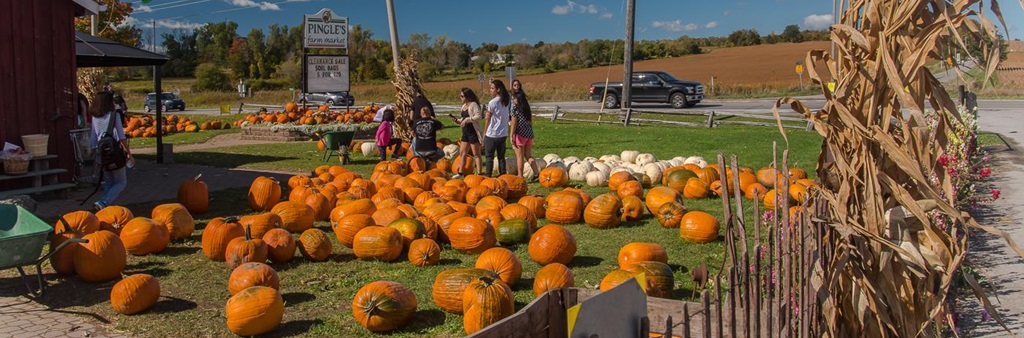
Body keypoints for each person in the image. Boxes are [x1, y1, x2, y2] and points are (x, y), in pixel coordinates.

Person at [89, 91, 134, 211]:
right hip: (114, 152)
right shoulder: (114, 115)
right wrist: (128, 153)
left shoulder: (95, 117)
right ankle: (103, 202)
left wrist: (95, 154)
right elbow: (120, 135)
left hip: (102, 153)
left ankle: (105, 208)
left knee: (108, 181)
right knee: (121, 182)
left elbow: (93, 137)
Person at [451, 88, 484, 179]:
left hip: (473, 132)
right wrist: (457, 120)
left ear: (467, 97)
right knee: (462, 153)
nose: (460, 97)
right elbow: (464, 118)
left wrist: (468, 120)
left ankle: (479, 173)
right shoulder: (464, 106)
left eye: (462, 96)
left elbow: (478, 116)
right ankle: (461, 173)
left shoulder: (473, 105)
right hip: (465, 133)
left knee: (476, 154)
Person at [510, 85, 540, 182]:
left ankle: (520, 175)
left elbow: (513, 124)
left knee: (519, 156)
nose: (513, 100)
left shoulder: (515, 109)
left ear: (517, 99)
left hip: (520, 134)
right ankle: (536, 174)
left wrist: (511, 136)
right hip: (529, 133)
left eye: (514, 98)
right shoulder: (527, 109)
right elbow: (530, 122)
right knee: (528, 155)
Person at [483, 79, 511, 177]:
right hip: (503, 133)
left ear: (498, 89)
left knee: (489, 157)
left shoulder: (492, 103)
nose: (490, 90)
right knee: (501, 157)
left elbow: (488, 119)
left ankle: (488, 175)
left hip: (492, 133)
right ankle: (503, 174)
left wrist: (484, 133)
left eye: (492, 88)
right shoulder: (507, 100)